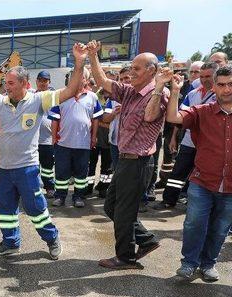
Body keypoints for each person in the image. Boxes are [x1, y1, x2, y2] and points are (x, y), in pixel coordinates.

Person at [0, 42, 89, 259]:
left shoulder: (38, 100)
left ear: (25, 83)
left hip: (27, 168)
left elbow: (71, 90)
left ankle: (52, 238)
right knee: (5, 210)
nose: (7, 87)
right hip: (4, 169)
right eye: (5, 83)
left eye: (11, 83)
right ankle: (11, 243)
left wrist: (79, 63)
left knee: (35, 209)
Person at [87, 40, 166, 269]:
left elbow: (151, 117)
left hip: (138, 163)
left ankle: (125, 257)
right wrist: (93, 56)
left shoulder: (159, 93)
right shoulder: (130, 92)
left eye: (137, 69)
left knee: (123, 211)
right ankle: (146, 240)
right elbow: (103, 81)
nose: (131, 72)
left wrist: (159, 87)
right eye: (131, 68)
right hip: (124, 160)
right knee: (112, 207)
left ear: (152, 71)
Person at [165, 65, 232, 282]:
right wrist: (175, 91)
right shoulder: (202, 111)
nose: (226, 89)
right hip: (202, 181)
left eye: (231, 84)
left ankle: (208, 264)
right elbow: (174, 117)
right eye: (221, 85)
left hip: (230, 187)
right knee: (194, 224)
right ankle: (189, 263)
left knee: (220, 229)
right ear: (214, 86)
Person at [154, 62, 218, 210]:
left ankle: (197, 204)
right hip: (189, 141)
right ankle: (169, 200)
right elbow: (179, 117)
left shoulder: (222, 96)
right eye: (201, 76)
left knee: (203, 175)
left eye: (208, 76)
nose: (204, 79)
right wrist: (174, 138)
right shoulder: (192, 94)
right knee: (178, 172)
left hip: (209, 145)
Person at [49, 68, 103, 208]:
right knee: (61, 172)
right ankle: (60, 196)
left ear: (86, 80)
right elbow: (55, 119)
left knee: (81, 173)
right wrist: (53, 137)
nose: (79, 79)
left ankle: (78, 197)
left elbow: (96, 119)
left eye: (82, 77)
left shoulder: (92, 97)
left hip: (83, 144)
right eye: (76, 76)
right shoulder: (61, 95)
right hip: (63, 143)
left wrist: (94, 137)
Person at [88, 70, 117, 198]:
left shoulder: (118, 97)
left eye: (111, 80)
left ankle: (103, 187)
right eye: (106, 79)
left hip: (109, 139)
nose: (108, 83)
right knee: (91, 164)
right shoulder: (94, 96)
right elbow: (90, 117)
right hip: (94, 137)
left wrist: (100, 120)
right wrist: (104, 121)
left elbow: (109, 120)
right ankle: (88, 187)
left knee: (107, 167)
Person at [103, 66, 131, 168]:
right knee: (116, 170)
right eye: (121, 79)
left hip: (131, 145)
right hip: (115, 143)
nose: (124, 81)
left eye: (127, 78)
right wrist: (114, 113)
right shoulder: (113, 98)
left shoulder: (140, 96)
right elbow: (105, 118)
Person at [35, 70, 55, 197]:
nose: (42, 83)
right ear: (36, 81)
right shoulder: (31, 96)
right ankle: (34, 188)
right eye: (40, 80)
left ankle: (49, 187)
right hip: (32, 140)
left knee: (47, 167)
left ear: (49, 82)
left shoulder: (54, 97)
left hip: (48, 139)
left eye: (45, 81)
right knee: (33, 167)